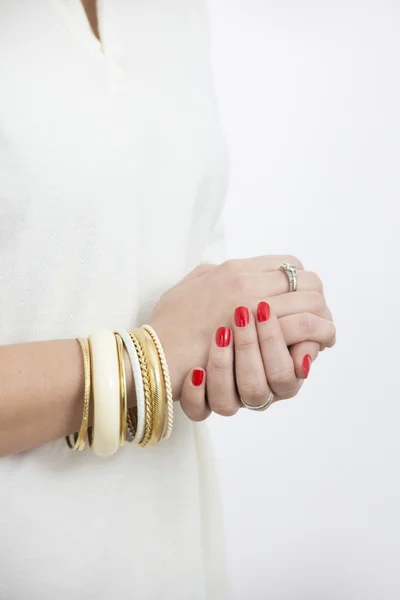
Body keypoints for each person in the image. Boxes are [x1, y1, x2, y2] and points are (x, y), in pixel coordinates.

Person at [0, 1, 336, 598]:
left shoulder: (176, 12)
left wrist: (247, 326)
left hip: (169, 552)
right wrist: (148, 357)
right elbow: (164, 342)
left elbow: (174, 287)